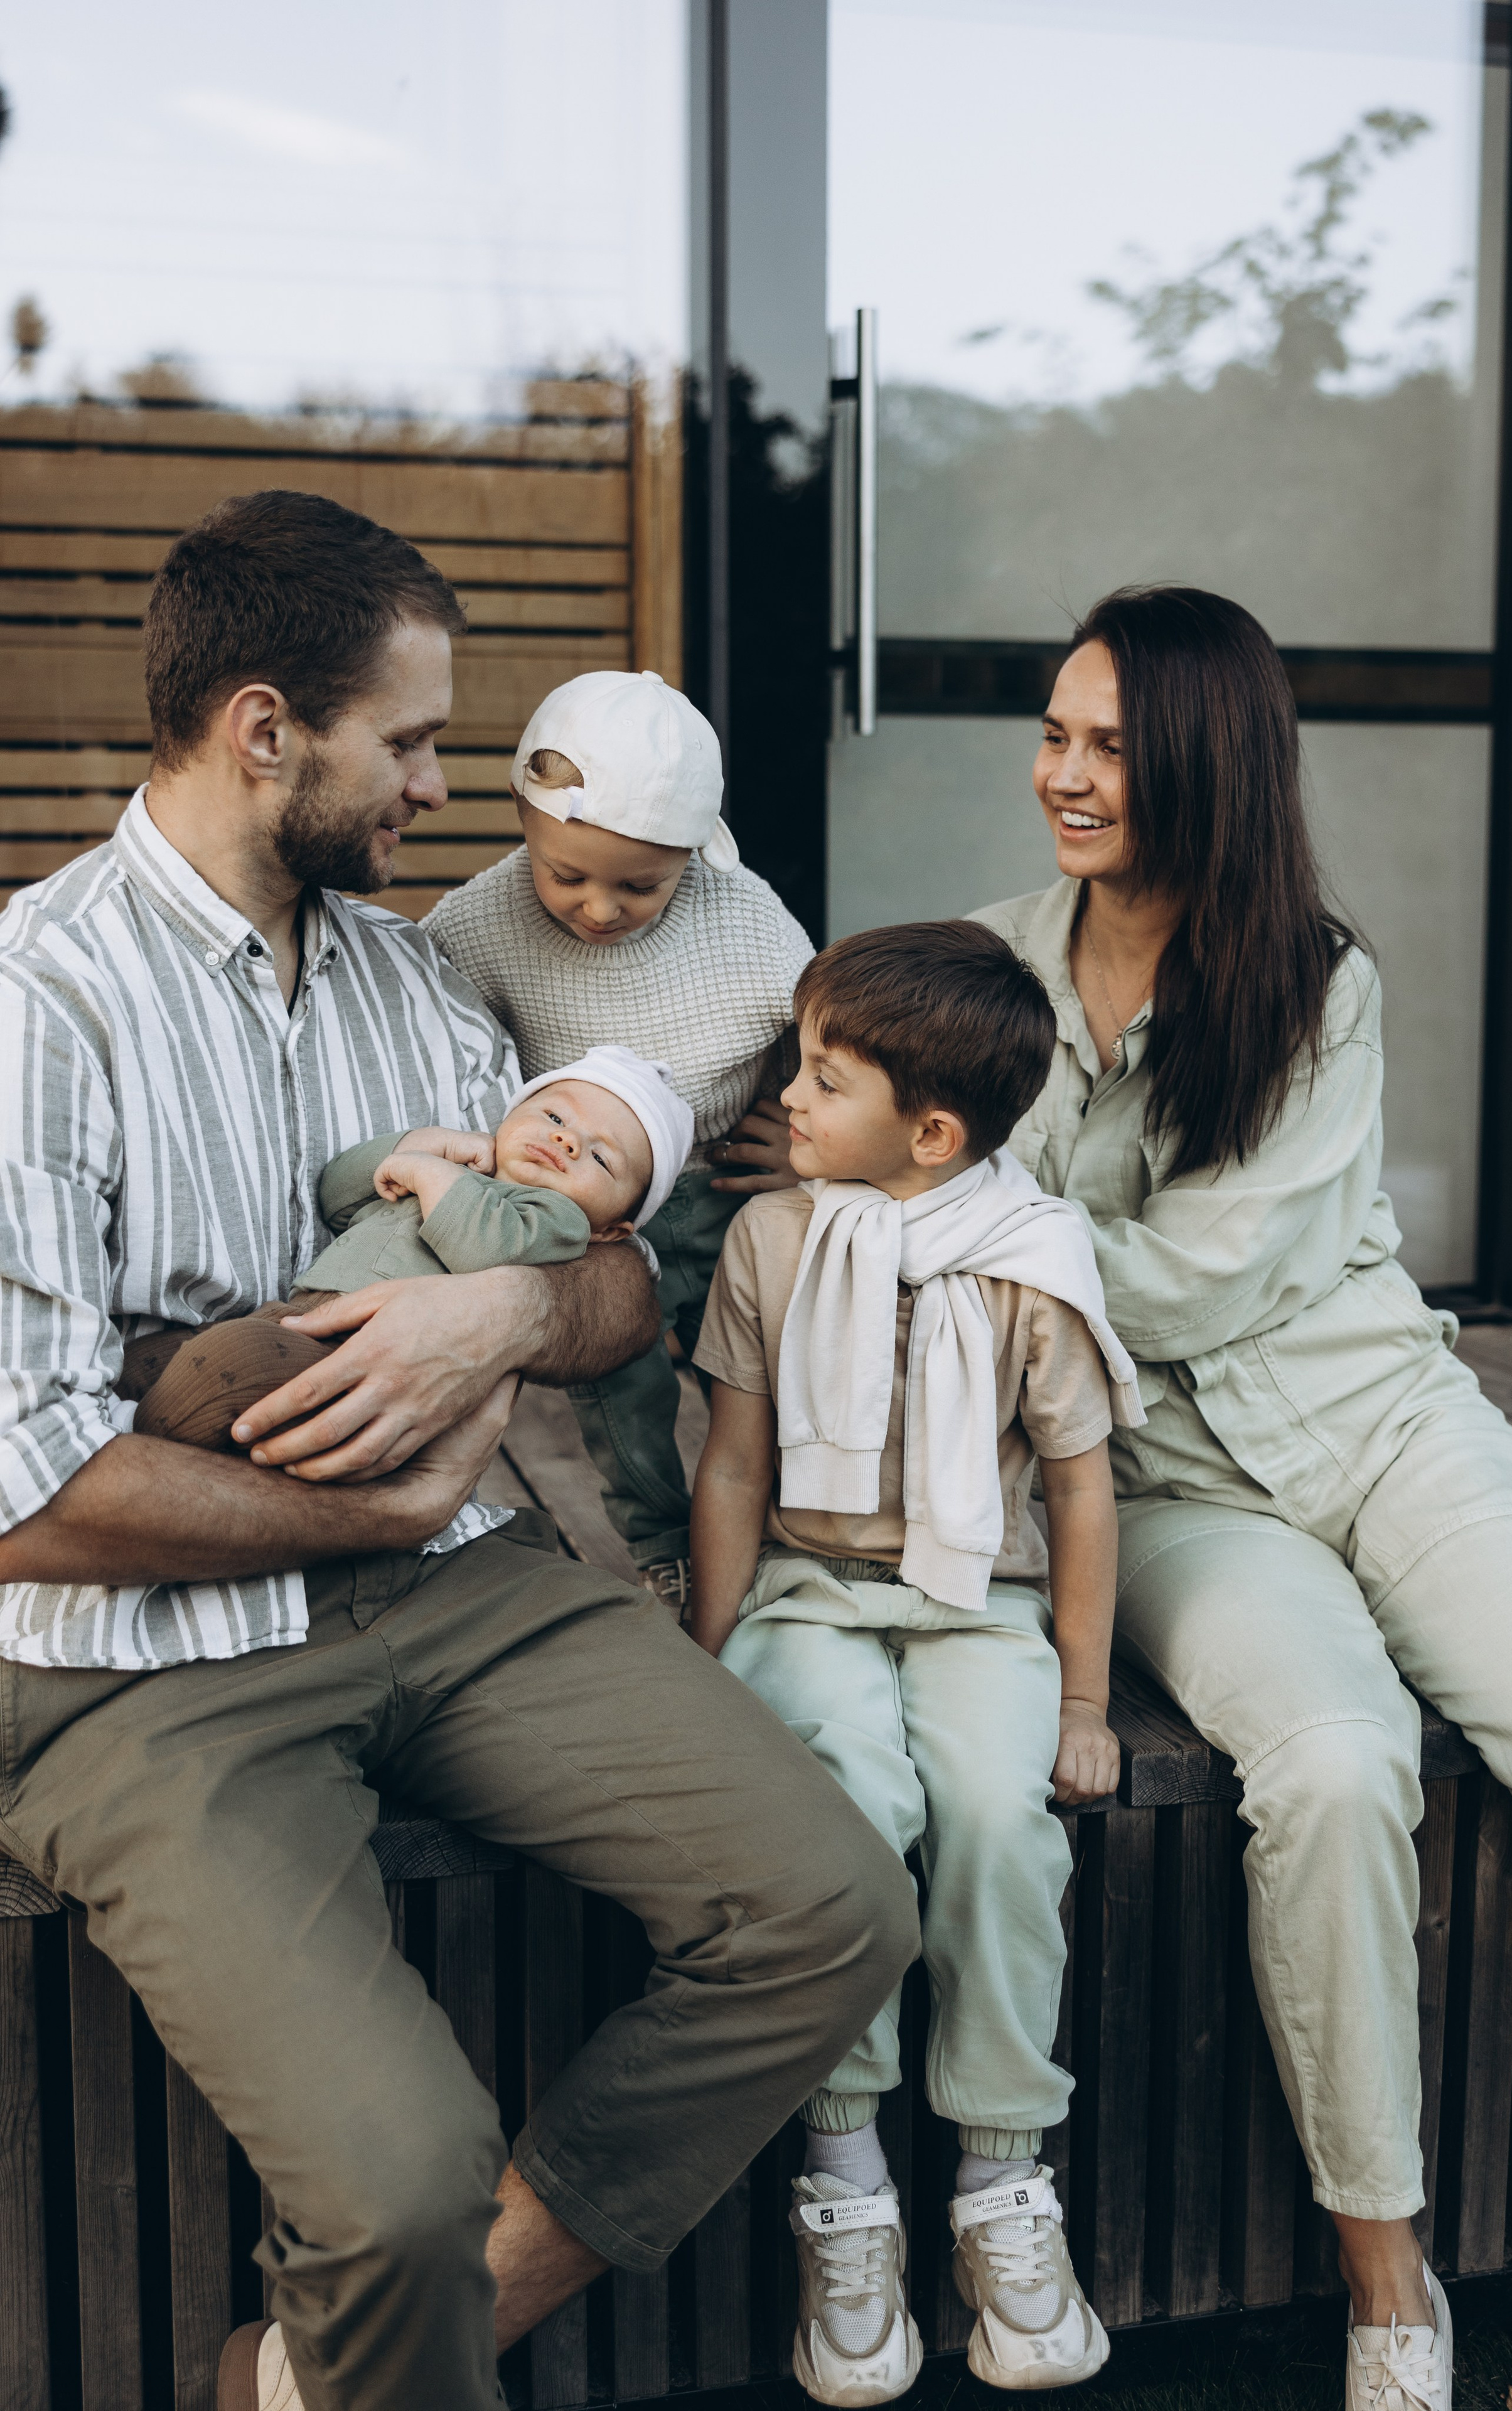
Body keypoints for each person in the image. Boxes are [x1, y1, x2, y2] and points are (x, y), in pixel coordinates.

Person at [0, 489, 920, 2411]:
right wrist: (389, 1483)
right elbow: (27, 1491)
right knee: (397, 2182)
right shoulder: (35, 999)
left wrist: (505, 1311)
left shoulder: (425, 983)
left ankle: (325, 2378)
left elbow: (614, 1304)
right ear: (269, 730)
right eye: (411, 740)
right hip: (145, 1684)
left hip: (466, 1596)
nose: (444, 785)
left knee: (829, 1909)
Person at [973, 584, 1512, 2411]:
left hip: (1387, 1422)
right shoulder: (989, 968)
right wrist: (1022, 1248)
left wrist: (1025, 1237)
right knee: (1330, 1763)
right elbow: (998, 1264)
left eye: (1107, 744)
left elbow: (1200, 1275)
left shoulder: (1319, 979)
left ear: (1204, 762)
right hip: (1169, 1487)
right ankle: (1384, 2263)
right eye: (1055, 734)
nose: (1063, 777)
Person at [688, 922, 1144, 2405]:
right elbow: (734, 1464)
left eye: (822, 1079)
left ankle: (1003, 2180)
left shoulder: (1029, 1261)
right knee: (848, 1809)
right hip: (810, 1597)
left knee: (1001, 1822)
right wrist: (706, 1650)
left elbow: (1077, 1484)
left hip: (975, 1601)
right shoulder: (772, 1234)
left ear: (931, 1130)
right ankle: (845, 2174)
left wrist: (1078, 1699)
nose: (789, 1102)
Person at [424, 669, 814, 1609]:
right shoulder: (483, 920)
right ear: (523, 817)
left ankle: (790, 1534)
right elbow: (429, 1021)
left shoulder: (743, 918)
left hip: (720, 1187)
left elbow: (825, 1020)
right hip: (588, 1201)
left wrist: (797, 1129)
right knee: (619, 1389)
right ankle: (664, 1543)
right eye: (567, 876)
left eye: (641, 885)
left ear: (695, 854)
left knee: (759, 1366)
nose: (599, 908)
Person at [122, 1044, 694, 1451]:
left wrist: (428, 1173)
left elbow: (484, 1247)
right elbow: (338, 1197)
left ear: (613, 1230)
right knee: (148, 1360)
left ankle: (150, 1458)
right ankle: (107, 1434)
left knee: (225, 1367)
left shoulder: (559, 1223)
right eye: (552, 1114)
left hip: (360, 1355)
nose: (567, 1139)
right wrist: (412, 1148)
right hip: (294, 1316)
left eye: (600, 1157)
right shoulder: (449, 1169)